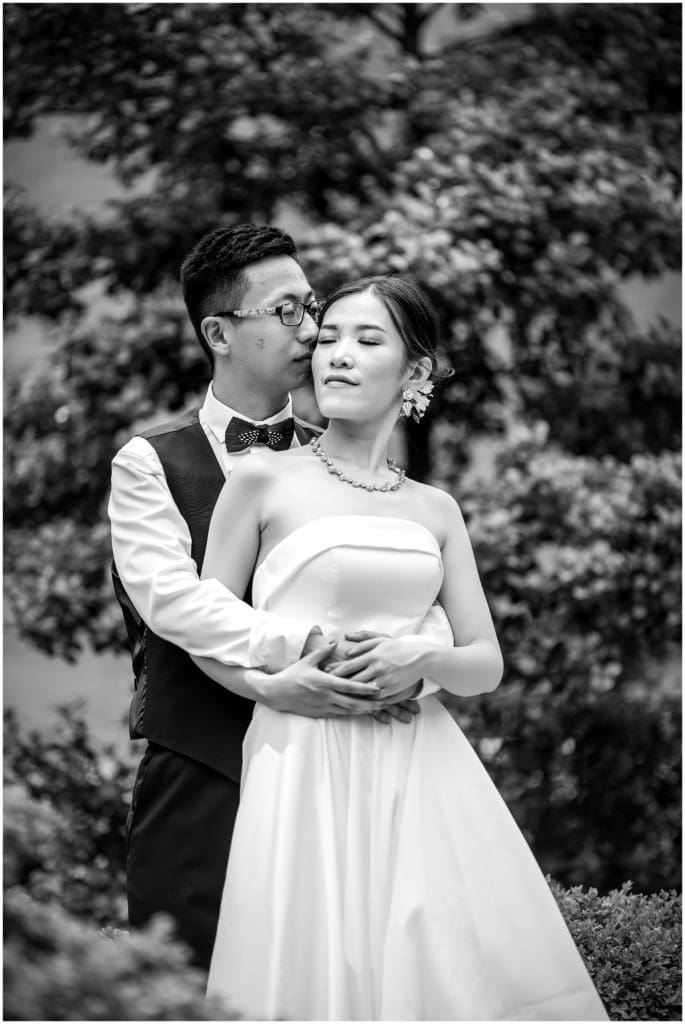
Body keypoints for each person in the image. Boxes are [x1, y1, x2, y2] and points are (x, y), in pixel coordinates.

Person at [193, 276, 609, 1020]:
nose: (337, 357)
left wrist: (418, 664)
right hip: (301, 755)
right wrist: (273, 688)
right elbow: (204, 629)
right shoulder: (261, 478)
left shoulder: (435, 508)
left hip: (421, 763)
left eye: (367, 340)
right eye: (328, 341)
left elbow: (484, 662)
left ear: (414, 373)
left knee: (441, 971)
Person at [108, 225, 452, 970]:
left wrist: (407, 665)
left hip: (336, 769)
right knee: (188, 985)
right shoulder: (148, 464)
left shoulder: (342, 458)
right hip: (199, 767)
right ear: (218, 333)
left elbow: (405, 591)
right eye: (288, 311)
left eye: (313, 307)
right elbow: (176, 605)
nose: (312, 331)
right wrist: (297, 658)